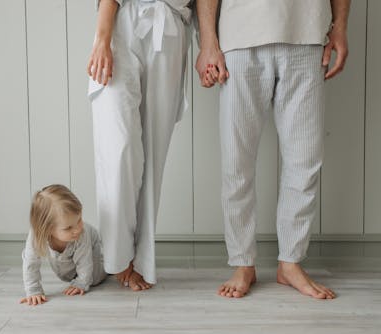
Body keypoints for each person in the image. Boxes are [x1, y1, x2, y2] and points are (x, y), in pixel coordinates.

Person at [195, 0, 350, 299]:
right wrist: (207, 42)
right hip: (239, 37)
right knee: (236, 161)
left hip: (307, 34)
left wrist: (340, 27)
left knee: (305, 159)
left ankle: (290, 262)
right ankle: (242, 263)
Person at [87, 0, 193, 291]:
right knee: (118, 148)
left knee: (153, 153)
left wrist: (208, 43)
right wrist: (102, 37)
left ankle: (143, 260)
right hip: (121, 21)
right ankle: (119, 258)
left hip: (171, 23)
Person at [20, 184, 106, 306]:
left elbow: (85, 263)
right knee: (68, 275)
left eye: (79, 219)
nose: (77, 229)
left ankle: (113, 263)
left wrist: (81, 283)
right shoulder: (36, 236)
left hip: (93, 249)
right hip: (69, 269)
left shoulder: (82, 234)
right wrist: (33, 290)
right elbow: (30, 264)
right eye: (68, 228)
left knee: (94, 278)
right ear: (47, 230)